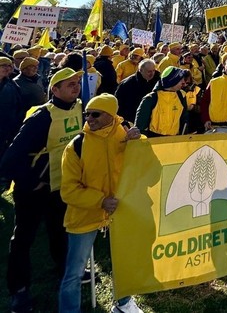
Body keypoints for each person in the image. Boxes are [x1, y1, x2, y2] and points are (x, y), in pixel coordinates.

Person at [0, 68, 84, 313]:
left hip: (61, 187)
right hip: (34, 189)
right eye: (68, 84)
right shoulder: (40, 117)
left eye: (77, 83)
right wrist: (32, 181)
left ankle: (63, 272)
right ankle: (19, 290)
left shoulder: (82, 109)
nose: (75, 87)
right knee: (23, 239)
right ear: (54, 90)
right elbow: (9, 159)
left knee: (60, 231)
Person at [58, 94, 143, 313]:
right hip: (85, 215)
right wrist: (100, 201)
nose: (89, 118)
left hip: (120, 212)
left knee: (124, 264)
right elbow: (68, 191)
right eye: (87, 114)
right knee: (74, 273)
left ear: (111, 115)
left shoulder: (126, 135)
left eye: (95, 114)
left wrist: (139, 143)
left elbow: (147, 168)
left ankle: (124, 304)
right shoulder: (76, 146)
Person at [135, 66, 188, 137]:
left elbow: (184, 120)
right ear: (172, 81)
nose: (184, 82)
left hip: (175, 141)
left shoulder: (182, 96)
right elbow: (140, 125)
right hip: (154, 140)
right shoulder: (151, 98)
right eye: (180, 79)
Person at [114, 59, 159, 124]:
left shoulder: (158, 82)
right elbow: (119, 104)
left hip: (153, 122)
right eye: (149, 71)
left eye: (153, 71)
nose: (152, 74)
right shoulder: (127, 84)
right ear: (141, 70)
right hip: (132, 120)